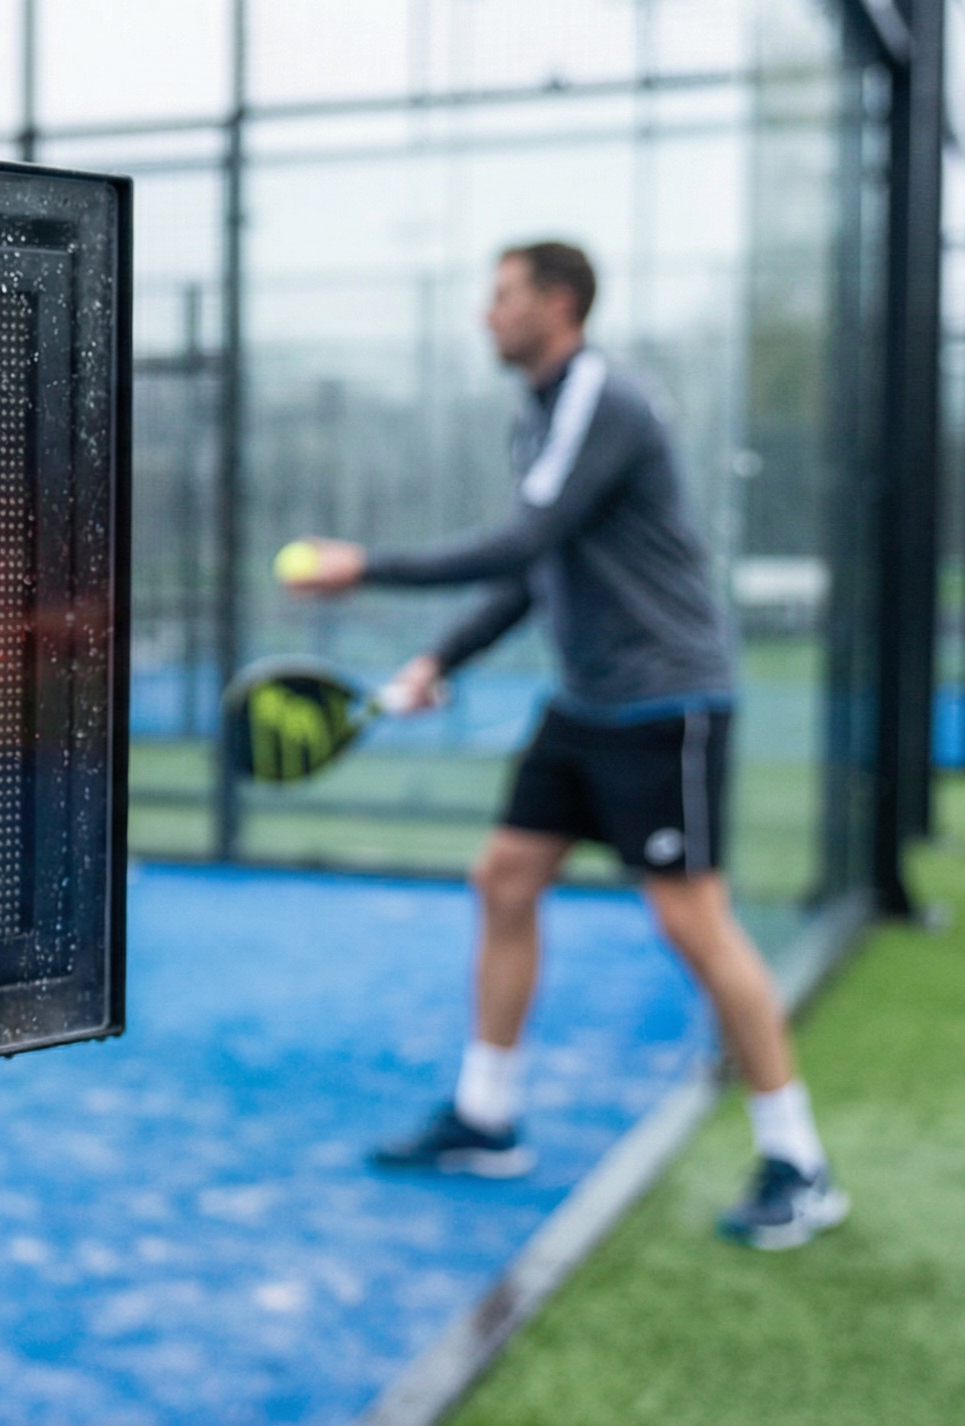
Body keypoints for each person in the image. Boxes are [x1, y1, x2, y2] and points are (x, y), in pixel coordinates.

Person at [282, 241, 848, 1250]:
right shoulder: (539, 414)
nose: (483, 316)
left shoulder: (601, 398)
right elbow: (533, 572)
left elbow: (520, 540)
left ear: (559, 301)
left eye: (500, 296)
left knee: (693, 925)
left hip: (666, 703)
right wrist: (438, 658)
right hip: (585, 701)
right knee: (504, 877)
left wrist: (362, 565)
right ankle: (486, 1118)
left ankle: (797, 1161)